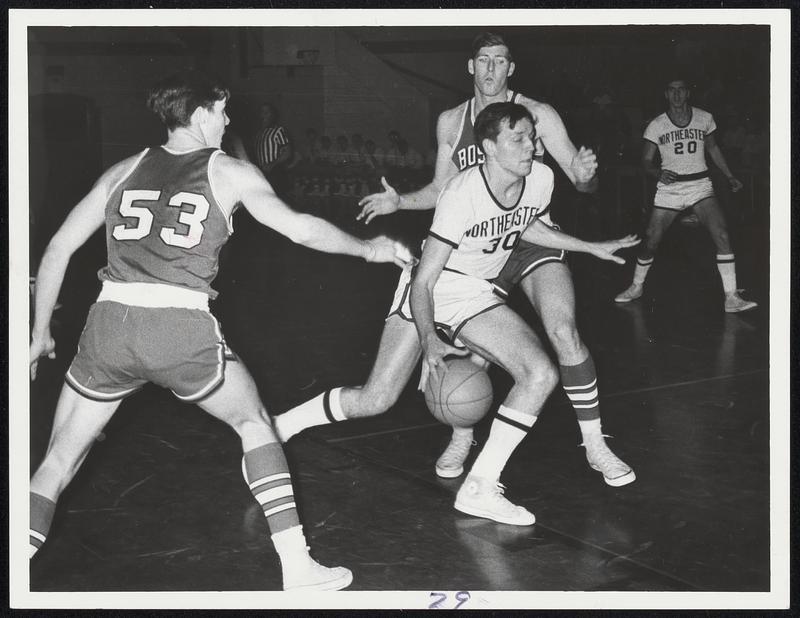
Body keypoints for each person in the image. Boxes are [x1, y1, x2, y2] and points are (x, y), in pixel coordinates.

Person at [28, 69, 412, 591]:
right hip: (177, 325)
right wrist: (370, 248)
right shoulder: (227, 171)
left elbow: (56, 249)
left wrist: (38, 335)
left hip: (107, 326)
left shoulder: (123, 169)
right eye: (223, 110)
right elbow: (299, 228)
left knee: (56, 462)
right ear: (202, 113)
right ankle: (298, 568)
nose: (230, 119)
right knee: (256, 424)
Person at [275, 103, 639, 525]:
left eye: (532, 138)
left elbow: (527, 226)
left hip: (474, 292)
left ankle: (481, 486)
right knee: (375, 400)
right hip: (433, 287)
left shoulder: (540, 178)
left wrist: (588, 246)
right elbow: (425, 281)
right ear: (488, 147)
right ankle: (281, 425)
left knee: (539, 373)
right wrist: (430, 341)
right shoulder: (461, 194)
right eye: (518, 139)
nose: (531, 147)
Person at [356, 32, 634, 487]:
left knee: (563, 331)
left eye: (500, 62)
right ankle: (463, 434)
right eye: (483, 61)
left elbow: (579, 179)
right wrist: (399, 203)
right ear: (470, 67)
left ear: (511, 68)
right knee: (477, 355)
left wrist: (586, 176)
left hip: (530, 234)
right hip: (474, 245)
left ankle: (596, 444)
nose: (490, 70)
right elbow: (441, 191)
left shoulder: (539, 115)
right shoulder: (451, 121)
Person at [614, 76, 757, 313]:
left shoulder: (704, 118)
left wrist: (729, 175)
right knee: (651, 240)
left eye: (681, 90)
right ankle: (636, 285)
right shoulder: (657, 125)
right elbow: (646, 161)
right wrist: (657, 172)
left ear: (688, 93)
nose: (677, 95)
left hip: (700, 185)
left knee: (721, 233)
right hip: (670, 189)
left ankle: (731, 297)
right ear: (666, 94)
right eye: (672, 90)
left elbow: (713, 148)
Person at [253, 102, 292, 196]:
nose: (264, 115)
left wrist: (272, 164)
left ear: (272, 115)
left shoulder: (278, 130)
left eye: (267, 112)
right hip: (262, 172)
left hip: (275, 172)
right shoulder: (259, 133)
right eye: (262, 112)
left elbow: (288, 152)